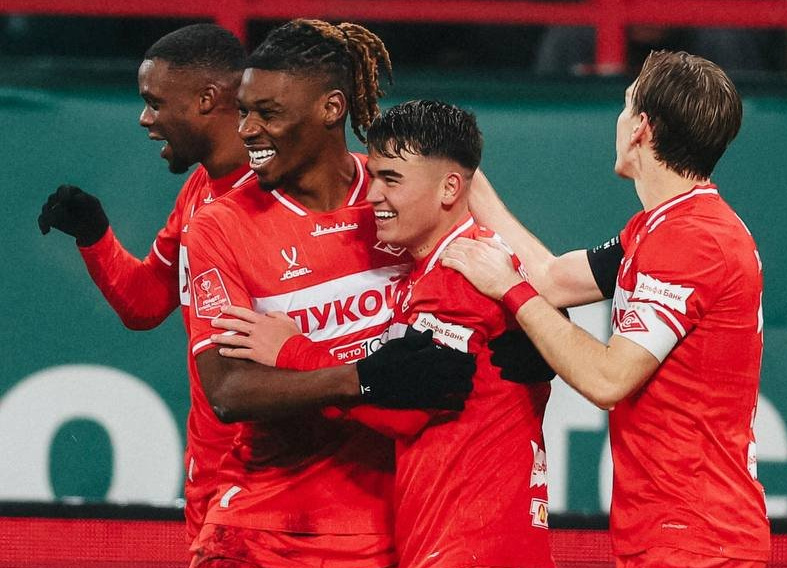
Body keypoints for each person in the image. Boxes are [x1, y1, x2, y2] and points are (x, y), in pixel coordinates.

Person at [443, 50, 771, 567]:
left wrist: (508, 289)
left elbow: (607, 379)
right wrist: (466, 174)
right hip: (679, 536)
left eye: (624, 107)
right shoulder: (664, 227)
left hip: (694, 543)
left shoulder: (691, 240)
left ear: (641, 128)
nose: (617, 123)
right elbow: (550, 279)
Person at [211, 99, 555, 568]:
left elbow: (408, 408)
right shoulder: (467, 264)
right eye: (373, 176)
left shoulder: (459, 274)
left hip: (469, 547)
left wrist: (292, 351)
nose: (372, 195)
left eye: (392, 179)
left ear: (450, 188)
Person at [183, 21, 475, 568]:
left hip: (397, 528)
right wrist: (364, 379)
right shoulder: (218, 227)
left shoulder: (400, 197)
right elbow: (228, 390)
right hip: (264, 531)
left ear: (331, 108)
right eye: (243, 112)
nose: (247, 130)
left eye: (268, 113)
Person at [36, 23, 253, 542]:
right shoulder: (199, 190)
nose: (145, 119)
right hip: (210, 477)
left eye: (155, 103)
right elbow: (146, 301)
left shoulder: (288, 198)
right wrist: (96, 237)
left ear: (207, 100)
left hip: (274, 480)